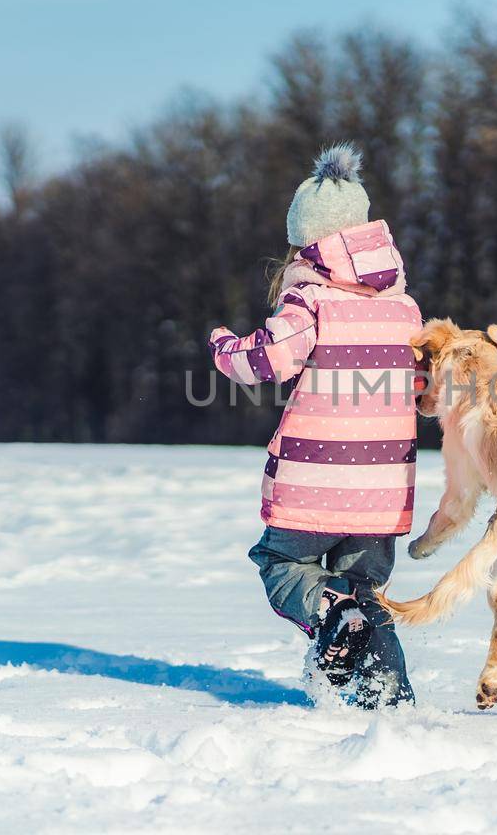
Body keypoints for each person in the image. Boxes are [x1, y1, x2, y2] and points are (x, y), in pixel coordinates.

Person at [208, 144, 423, 708]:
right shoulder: (406, 312)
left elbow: (263, 362)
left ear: (308, 242)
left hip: (312, 486)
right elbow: (424, 387)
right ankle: (387, 703)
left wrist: (222, 345)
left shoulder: (310, 302)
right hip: (382, 496)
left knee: (281, 562)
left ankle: (329, 610)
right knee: (370, 595)